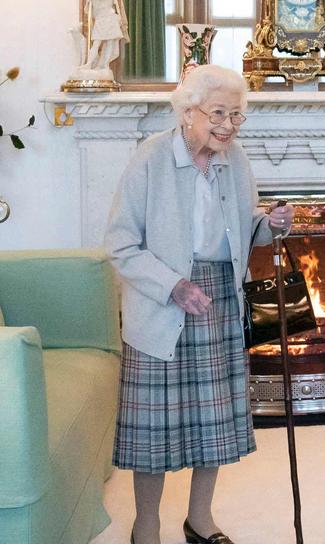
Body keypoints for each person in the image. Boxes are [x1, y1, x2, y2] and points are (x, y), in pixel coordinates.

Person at [104, 65, 294, 544]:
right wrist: (173, 287)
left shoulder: (237, 159)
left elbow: (243, 228)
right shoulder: (150, 158)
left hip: (219, 299)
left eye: (236, 115)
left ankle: (199, 520)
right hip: (163, 300)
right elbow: (121, 244)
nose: (228, 125)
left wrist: (273, 224)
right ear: (188, 113)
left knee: (214, 422)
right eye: (218, 114)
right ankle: (145, 524)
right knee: (154, 427)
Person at [84, 0, 129, 71]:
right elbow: (87, 10)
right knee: (96, 43)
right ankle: (89, 64)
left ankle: (104, 65)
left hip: (109, 19)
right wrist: (87, 0)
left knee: (109, 42)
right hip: (100, 20)